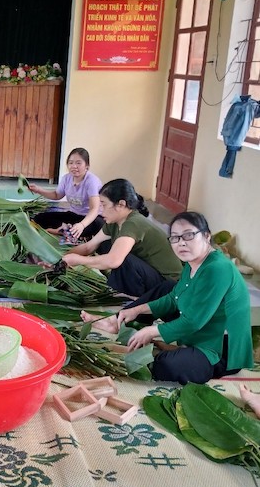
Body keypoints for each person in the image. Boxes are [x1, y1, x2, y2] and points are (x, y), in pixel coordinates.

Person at [105, 212, 253, 385]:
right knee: (167, 287)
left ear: (206, 236)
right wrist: (136, 309)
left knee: (166, 365)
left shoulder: (217, 268)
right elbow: (174, 298)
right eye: (174, 238)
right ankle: (118, 321)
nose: (181, 243)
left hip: (221, 348)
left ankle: (184, 353)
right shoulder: (193, 263)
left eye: (188, 235)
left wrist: (152, 331)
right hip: (201, 331)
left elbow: (193, 322)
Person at [61, 178, 182, 299]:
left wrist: (79, 260)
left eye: (104, 204)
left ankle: (133, 298)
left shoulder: (133, 223)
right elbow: (89, 246)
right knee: (105, 245)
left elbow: (114, 261)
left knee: (121, 258)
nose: (101, 210)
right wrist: (62, 260)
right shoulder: (114, 222)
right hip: (151, 273)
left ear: (121, 205)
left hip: (167, 286)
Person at [28, 148, 104, 241]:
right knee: (39, 218)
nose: (74, 166)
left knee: (94, 226)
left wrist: (82, 225)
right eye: (71, 163)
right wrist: (39, 190)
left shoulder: (91, 181)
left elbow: (94, 209)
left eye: (78, 163)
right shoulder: (66, 179)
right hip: (74, 215)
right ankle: (63, 231)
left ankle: (62, 231)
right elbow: (56, 195)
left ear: (87, 166)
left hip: (92, 218)